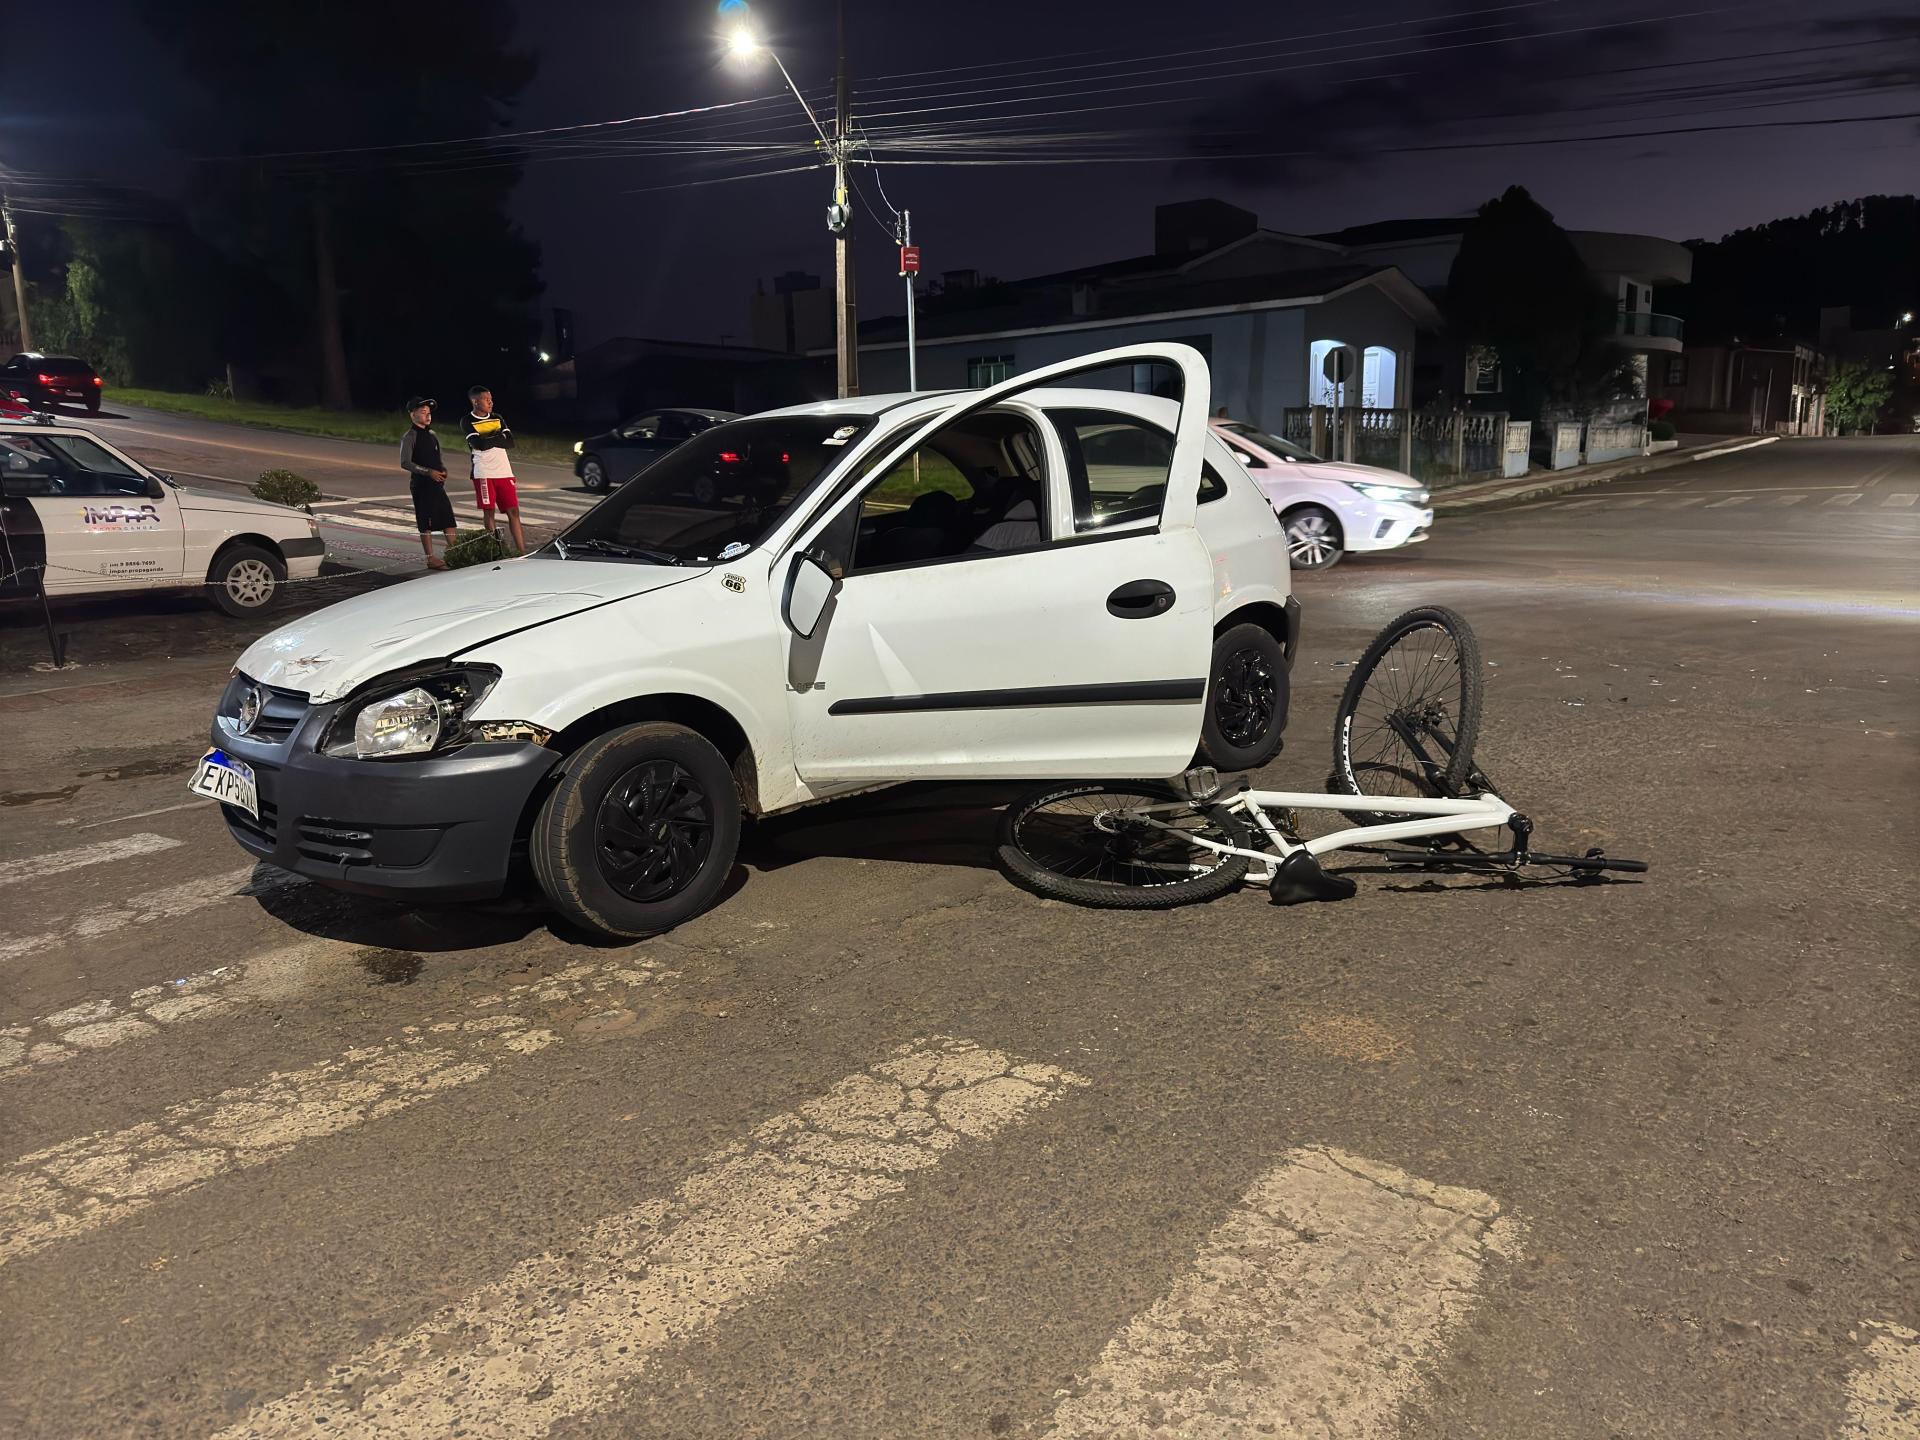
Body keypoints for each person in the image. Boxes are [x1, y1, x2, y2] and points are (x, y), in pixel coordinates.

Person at [465, 385, 525, 555]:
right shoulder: (467, 420)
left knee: (514, 511)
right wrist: (498, 437)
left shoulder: (498, 417)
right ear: (476, 402)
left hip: (504, 471)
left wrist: (488, 438)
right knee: (489, 512)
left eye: (491, 398)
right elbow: (479, 444)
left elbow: (510, 443)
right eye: (486, 399)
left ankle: (522, 551)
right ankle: (495, 550)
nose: (491, 402)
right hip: (484, 472)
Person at [399, 397, 457, 570]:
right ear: (412, 415)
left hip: (436, 485)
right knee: (426, 522)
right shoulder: (410, 436)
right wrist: (428, 472)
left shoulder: (432, 434)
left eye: (429, 413)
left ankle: (455, 552)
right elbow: (405, 462)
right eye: (423, 412)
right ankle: (431, 558)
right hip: (421, 485)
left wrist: (442, 469)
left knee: (448, 518)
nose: (427, 416)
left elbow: (437, 458)